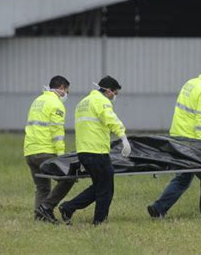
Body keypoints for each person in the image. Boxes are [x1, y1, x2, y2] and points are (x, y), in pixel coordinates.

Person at [147, 63, 201, 218]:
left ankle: (158, 208)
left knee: (184, 177)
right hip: (193, 142)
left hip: (178, 137)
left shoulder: (190, 83)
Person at [59, 76, 131, 225]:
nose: (114, 97)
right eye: (115, 93)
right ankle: (99, 222)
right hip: (97, 151)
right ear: (108, 91)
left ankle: (68, 207)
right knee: (106, 188)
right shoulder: (101, 101)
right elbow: (111, 119)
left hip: (84, 151)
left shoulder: (83, 102)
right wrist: (123, 137)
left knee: (100, 186)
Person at [24, 75, 74, 224]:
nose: (67, 94)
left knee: (42, 187)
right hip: (45, 152)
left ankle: (40, 218)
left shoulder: (37, 101)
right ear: (61, 88)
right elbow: (57, 132)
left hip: (30, 151)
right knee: (68, 178)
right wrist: (61, 157)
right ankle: (46, 207)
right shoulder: (56, 104)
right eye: (67, 91)